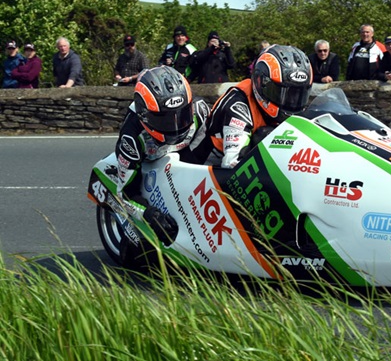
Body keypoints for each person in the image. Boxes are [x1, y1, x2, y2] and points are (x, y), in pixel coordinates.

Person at [114, 65, 211, 246]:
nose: (175, 125)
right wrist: (149, 214)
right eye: (164, 119)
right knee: (136, 251)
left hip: (187, 159)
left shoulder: (200, 110)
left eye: (181, 115)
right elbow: (124, 194)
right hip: (150, 165)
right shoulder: (131, 138)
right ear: (145, 115)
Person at [204, 44, 312, 169]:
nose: (291, 101)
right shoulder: (238, 107)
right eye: (280, 92)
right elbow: (232, 164)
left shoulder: (295, 109)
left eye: (297, 94)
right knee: (264, 136)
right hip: (210, 166)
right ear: (261, 83)